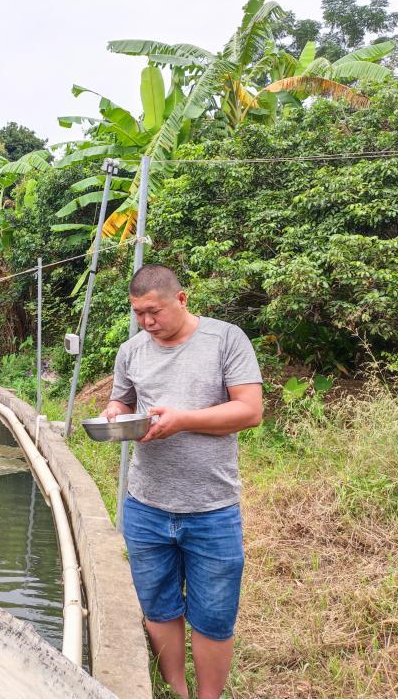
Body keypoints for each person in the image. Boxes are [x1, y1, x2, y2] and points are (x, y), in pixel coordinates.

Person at [103, 264, 263, 699]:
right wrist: (115, 413)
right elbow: (122, 399)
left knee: (213, 615)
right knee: (158, 604)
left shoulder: (225, 339)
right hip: (145, 503)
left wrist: (183, 420)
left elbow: (249, 410)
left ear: (182, 299)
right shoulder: (132, 351)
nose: (147, 322)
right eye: (138, 313)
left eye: (154, 311)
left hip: (211, 506)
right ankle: (176, 689)